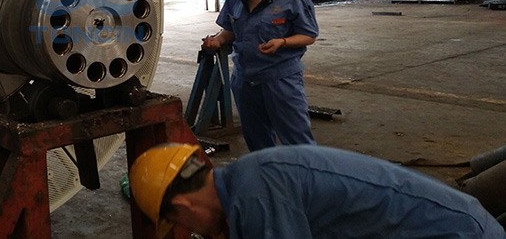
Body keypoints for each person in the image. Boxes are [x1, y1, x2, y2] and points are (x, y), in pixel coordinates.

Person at [129, 143, 506, 239]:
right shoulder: (246, 180)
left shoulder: (256, 197)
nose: (192, 231)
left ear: (183, 205)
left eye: (182, 224)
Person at [202, 0, 318, 151]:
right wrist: (217, 41)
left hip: (280, 80)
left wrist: (282, 41)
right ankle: (267, 172)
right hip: (245, 80)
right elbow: (230, 31)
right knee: (257, 140)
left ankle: (306, 173)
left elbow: (308, 35)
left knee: (297, 140)